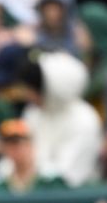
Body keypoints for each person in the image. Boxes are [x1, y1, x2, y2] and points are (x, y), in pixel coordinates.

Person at [20, 50, 102, 187]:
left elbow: (68, 175)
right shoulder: (33, 113)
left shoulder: (84, 119)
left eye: (33, 88)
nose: (27, 94)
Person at [0, 119, 67, 194]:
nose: (12, 149)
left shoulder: (49, 178)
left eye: (16, 143)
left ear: (30, 145)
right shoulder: (0, 180)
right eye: (7, 144)